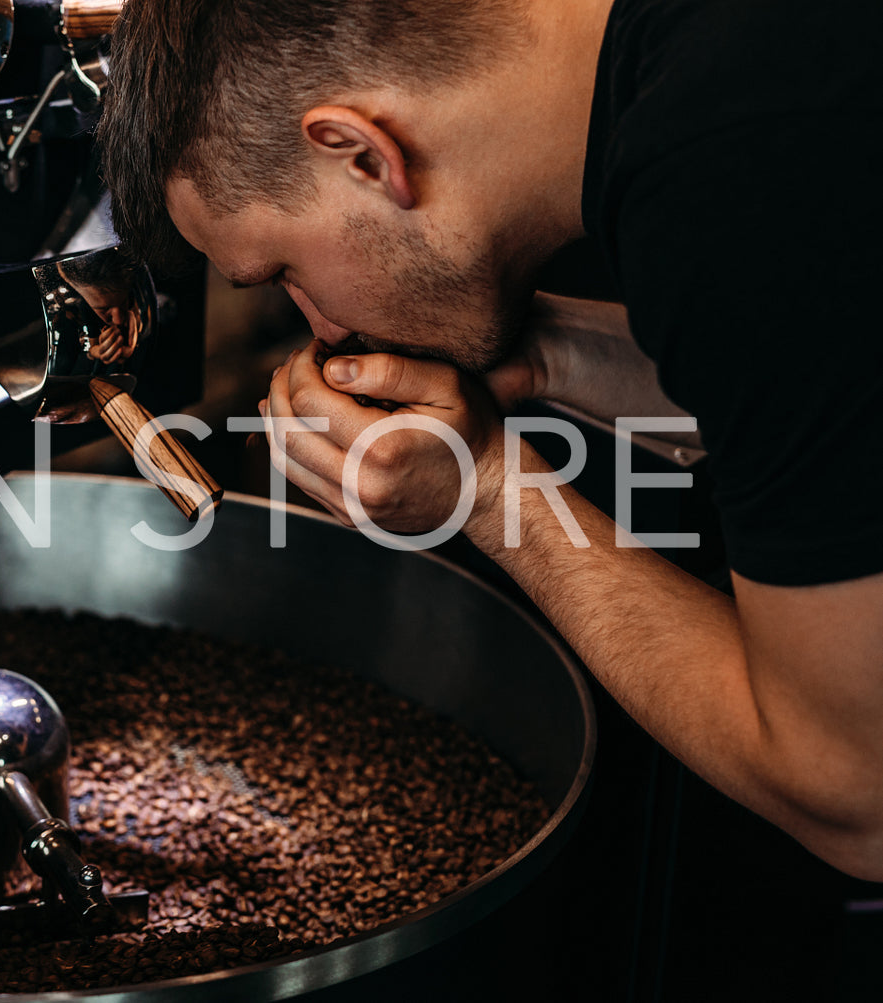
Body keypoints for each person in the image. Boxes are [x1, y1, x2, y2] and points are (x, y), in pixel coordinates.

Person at [96, 0, 883, 880]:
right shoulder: (722, 61)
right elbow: (823, 396)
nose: (317, 325)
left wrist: (491, 493)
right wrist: (547, 356)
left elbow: (857, 792)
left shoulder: (732, 158)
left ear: (361, 154)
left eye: (284, 271)